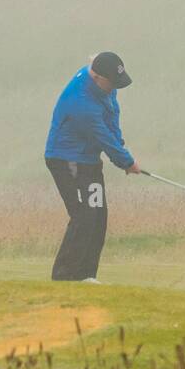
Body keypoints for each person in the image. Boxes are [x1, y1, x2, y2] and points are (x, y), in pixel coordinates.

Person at [43, 52, 140, 282]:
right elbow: (102, 136)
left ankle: (86, 275)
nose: (114, 88)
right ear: (96, 78)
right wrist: (126, 161)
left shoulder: (105, 84)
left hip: (88, 161)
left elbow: (112, 116)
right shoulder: (80, 102)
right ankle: (64, 277)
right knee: (83, 215)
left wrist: (121, 148)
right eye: (112, 83)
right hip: (66, 161)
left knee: (98, 216)